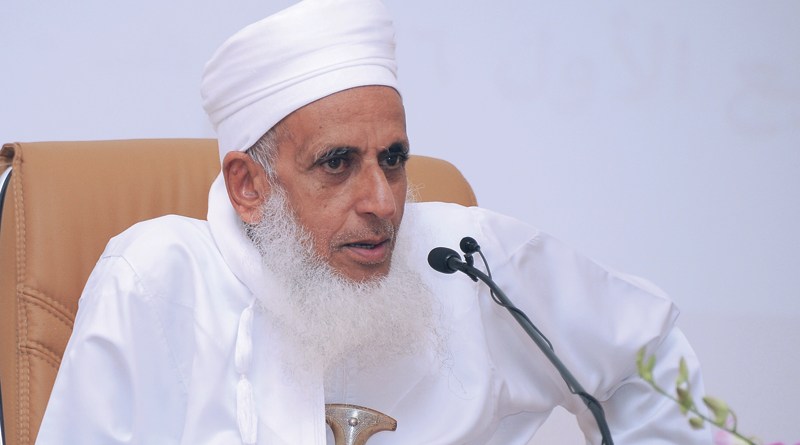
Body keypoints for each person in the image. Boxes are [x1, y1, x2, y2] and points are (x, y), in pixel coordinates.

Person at [36, 0, 712, 444]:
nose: (384, 203)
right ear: (248, 185)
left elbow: (647, 355)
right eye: (337, 163)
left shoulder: (467, 263)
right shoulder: (156, 281)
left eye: (393, 159)